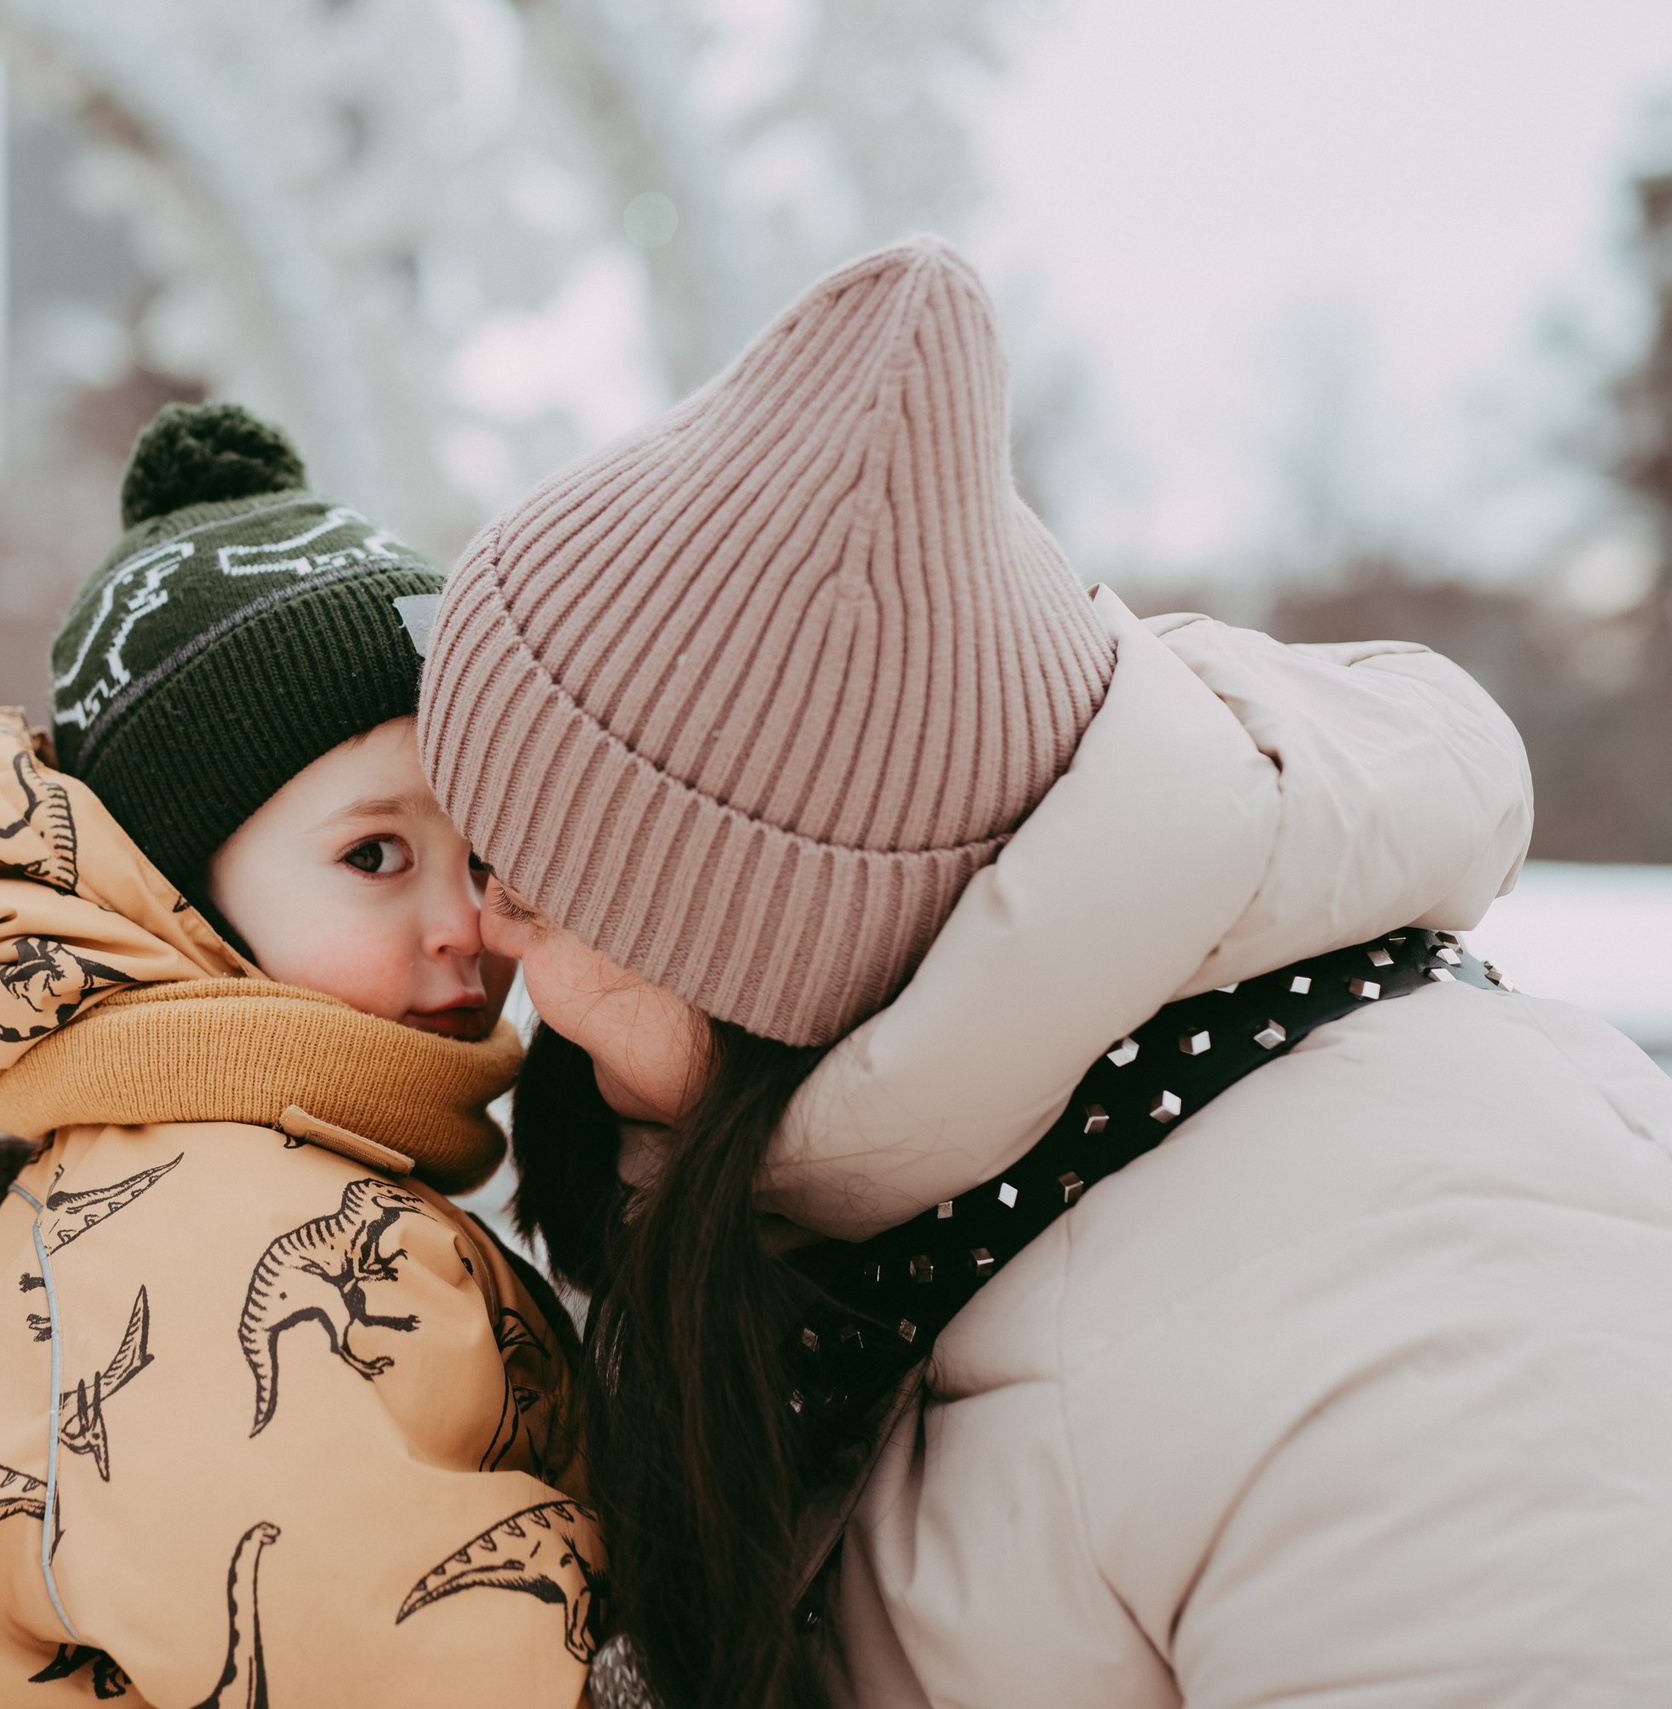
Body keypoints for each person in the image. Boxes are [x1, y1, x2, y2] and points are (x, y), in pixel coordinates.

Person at [418, 237, 1672, 1708]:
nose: (481, 931)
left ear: (756, 949)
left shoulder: (1439, 1328)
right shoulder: (953, 1207)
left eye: (529, 882)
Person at [0, 405, 599, 1708]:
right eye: (375, 854)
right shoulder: (205, 1230)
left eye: (483, 853)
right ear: (178, 894)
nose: (471, 922)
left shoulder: (248, 1172)